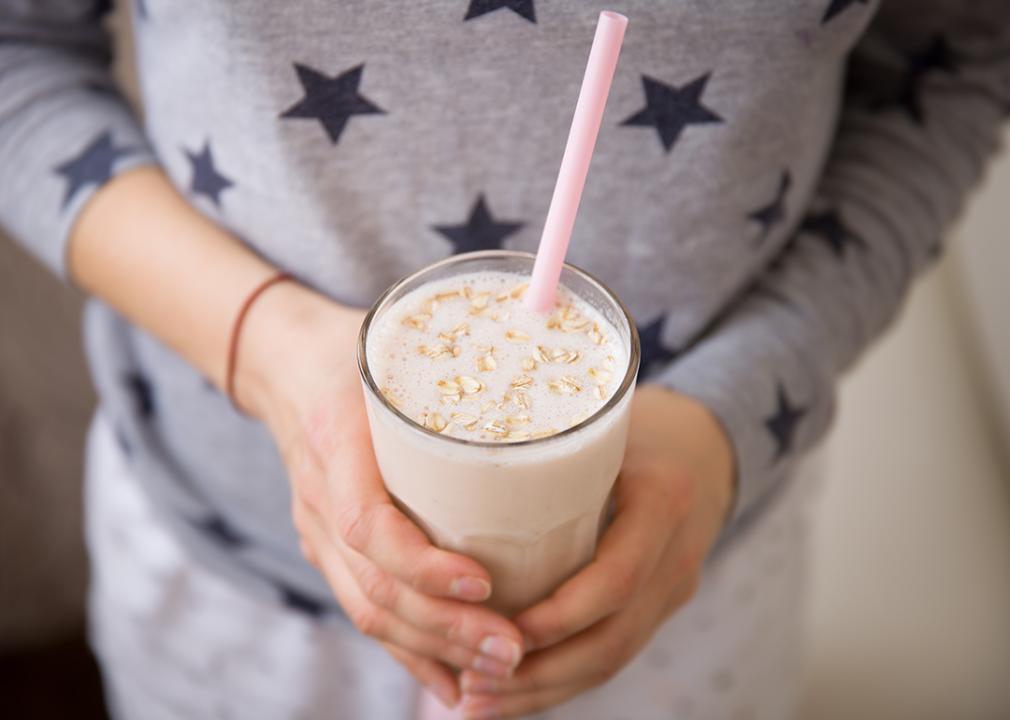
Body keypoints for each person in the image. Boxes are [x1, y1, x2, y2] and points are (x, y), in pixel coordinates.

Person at [1, 1, 1006, 718]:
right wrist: (263, 346)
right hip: (233, 567)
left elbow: (954, 68)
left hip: (669, 591)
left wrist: (724, 420)